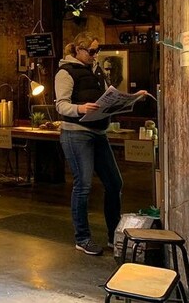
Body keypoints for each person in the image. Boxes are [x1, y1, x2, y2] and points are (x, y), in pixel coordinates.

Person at [55, 31, 122, 256]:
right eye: (91, 51)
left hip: (99, 131)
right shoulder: (65, 72)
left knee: (114, 182)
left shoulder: (97, 71)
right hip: (76, 133)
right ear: (78, 50)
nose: (95, 55)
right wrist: (80, 109)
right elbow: (61, 106)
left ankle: (115, 236)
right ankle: (82, 238)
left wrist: (125, 100)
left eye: (97, 51)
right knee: (83, 185)